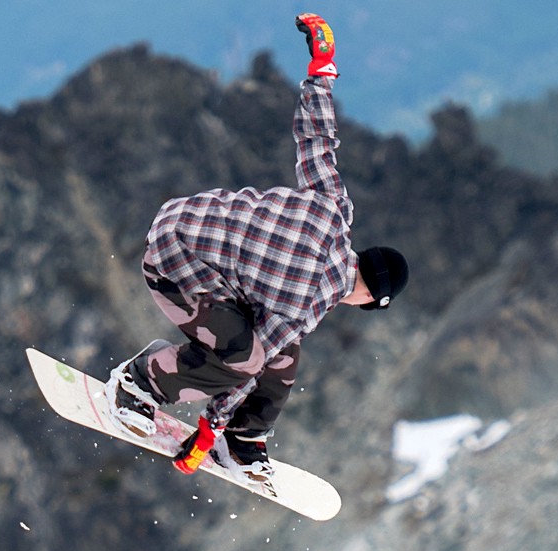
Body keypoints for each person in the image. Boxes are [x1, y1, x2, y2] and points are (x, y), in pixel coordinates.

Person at [103, 13, 408, 483]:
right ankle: (139, 382)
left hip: (184, 223)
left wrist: (321, 71)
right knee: (251, 355)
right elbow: (247, 370)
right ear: (370, 298)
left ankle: (245, 440)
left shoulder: (334, 210)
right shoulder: (308, 303)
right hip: (173, 267)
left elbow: (317, 142)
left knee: (281, 352)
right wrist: (206, 431)